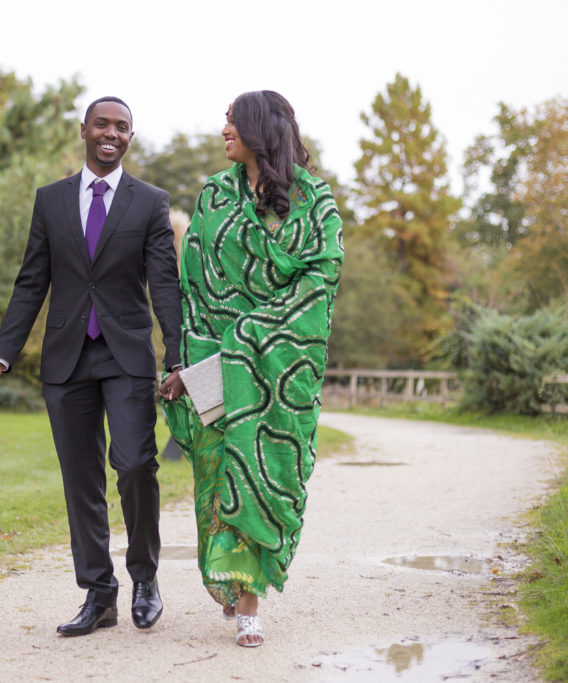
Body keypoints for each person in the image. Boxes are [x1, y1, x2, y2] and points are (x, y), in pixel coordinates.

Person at [0, 96, 182, 637]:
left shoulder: (150, 203)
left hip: (127, 354)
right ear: (84, 130)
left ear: (130, 137)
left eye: (123, 127)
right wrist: (2, 352)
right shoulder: (51, 201)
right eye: (103, 124)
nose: (111, 133)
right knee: (80, 479)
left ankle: (146, 579)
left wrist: (178, 358)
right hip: (67, 357)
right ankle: (99, 593)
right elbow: (31, 282)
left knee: (136, 463)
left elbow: (164, 284)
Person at [159, 90, 343, 647]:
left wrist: (250, 336)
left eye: (232, 120)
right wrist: (190, 363)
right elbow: (195, 284)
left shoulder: (316, 202)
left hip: (274, 369)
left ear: (259, 128)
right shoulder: (214, 195)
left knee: (261, 473)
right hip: (213, 361)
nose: (224, 130)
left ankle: (248, 605)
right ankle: (230, 581)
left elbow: (320, 281)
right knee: (216, 479)